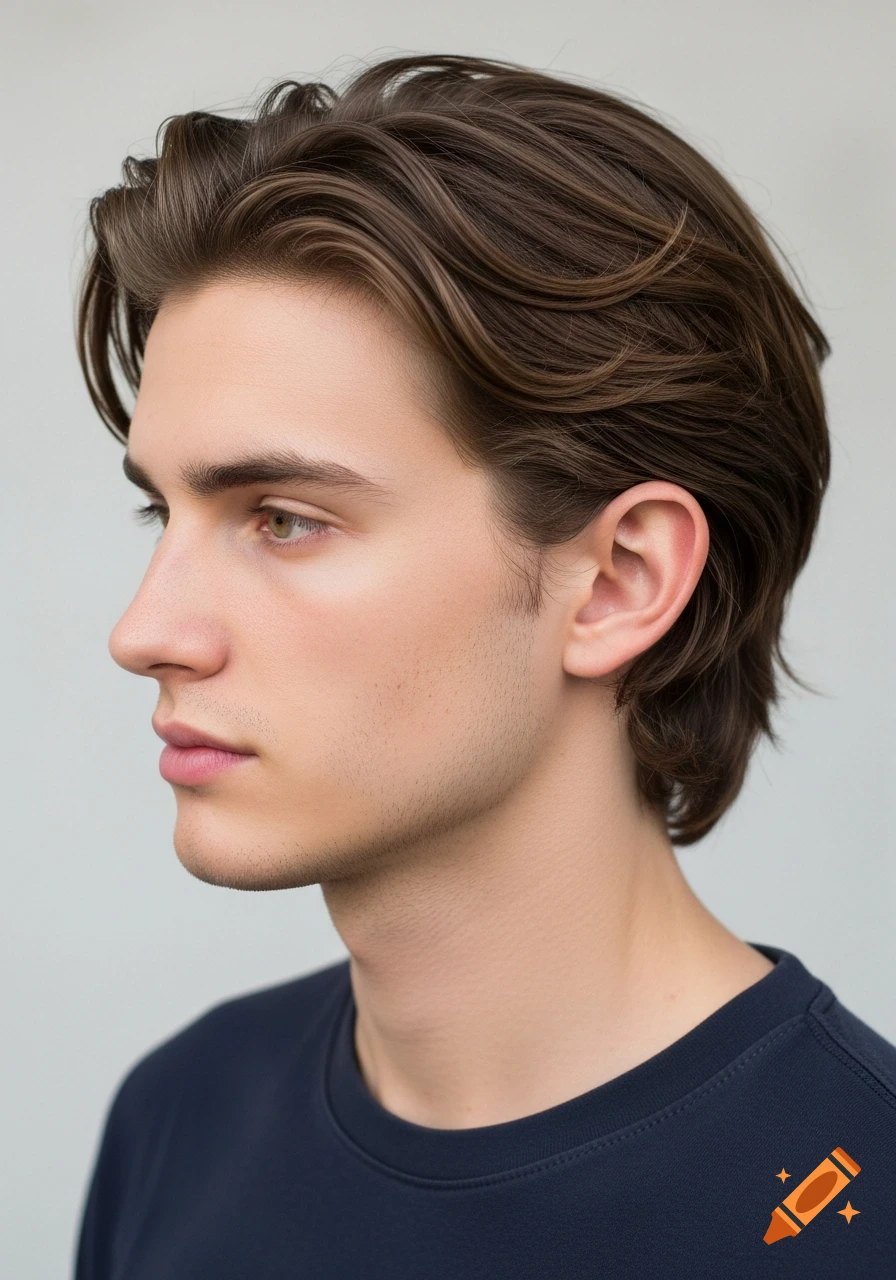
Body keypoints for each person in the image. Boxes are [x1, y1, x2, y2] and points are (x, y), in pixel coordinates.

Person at [71, 52, 896, 1278]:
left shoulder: (859, 1206)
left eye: (283, 517)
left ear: (618, 579)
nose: (145, 630)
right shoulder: (180, 1117)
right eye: (165, 514)